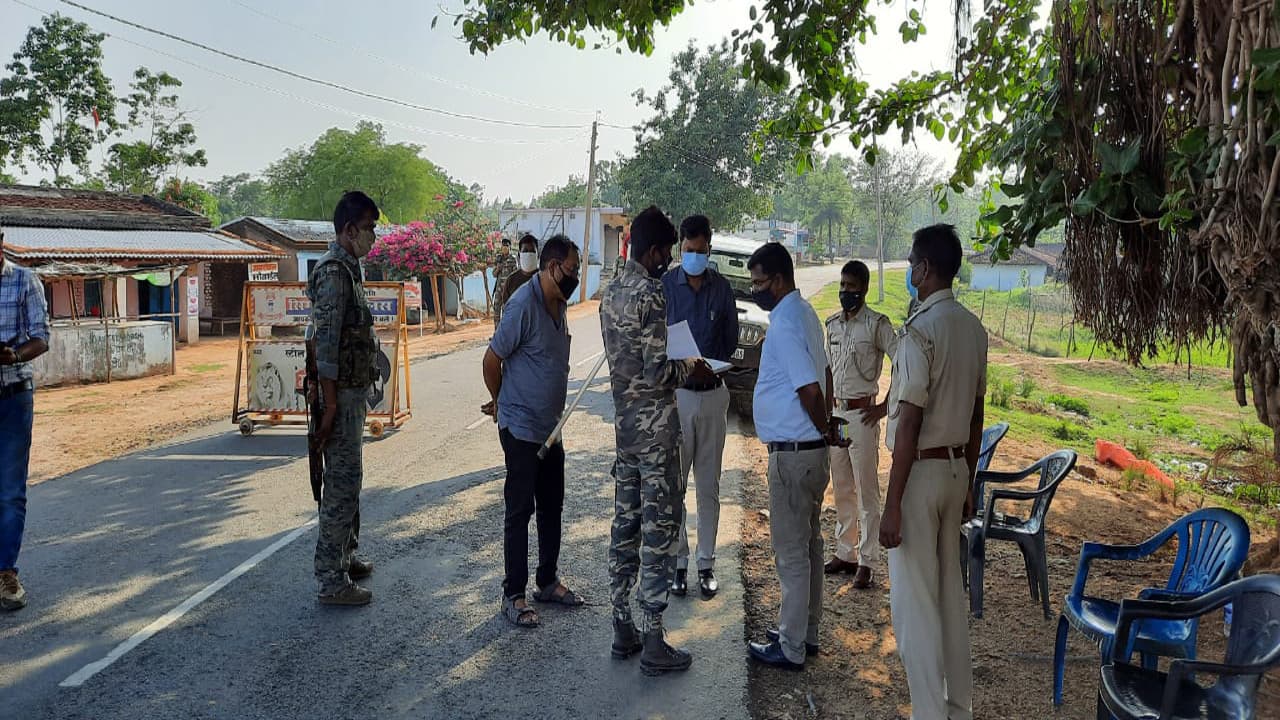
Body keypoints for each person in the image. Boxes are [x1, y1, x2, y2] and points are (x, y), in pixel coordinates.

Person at [879, 224, 988, 720]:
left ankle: (929, 712)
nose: (908, 272)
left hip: (920, 477)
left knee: (915, 606)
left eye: (910, 264)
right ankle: (957, 708)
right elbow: (977, 414)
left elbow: (910, 421)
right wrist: (968, 476)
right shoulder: (972, 328)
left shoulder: (920, 331)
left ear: (924, 269)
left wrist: (890, 505)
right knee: (948, 595)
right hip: (954, 472)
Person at [601, 205, 714, 675]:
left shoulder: (610, 294)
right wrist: (689, 365)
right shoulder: (650, 295)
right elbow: (657, 369)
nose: (667, 260)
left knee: (624, 526)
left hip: (626, 432)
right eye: (665, 252)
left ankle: (622, 626)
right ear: (650, 251)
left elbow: (626, 366)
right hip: (656, 435)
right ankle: (652, 639)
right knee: (660, 530)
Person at [745, 241, 846, 671]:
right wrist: (825, 430)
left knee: (791, 553)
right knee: (809, 547)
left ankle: (790, 646)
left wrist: (823, 426)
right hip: (810, 452)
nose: (754, 290)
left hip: (793, 454)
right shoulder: (804, 314)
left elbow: (809, 387)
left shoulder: (786, 322)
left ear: (780, 279)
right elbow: (824, 374)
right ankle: (805, 632)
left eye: (759, 282)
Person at [481, 234, 584, 628]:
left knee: (552, 506)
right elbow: (491, 361)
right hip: (521, 427)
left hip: (550, 429)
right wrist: (500, 400)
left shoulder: (558, 305)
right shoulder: (523, 305)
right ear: (551, 266)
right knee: (519, 510)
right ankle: (514, 595)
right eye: (571, 271)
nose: (574, 279)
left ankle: (547, 581)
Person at [308, 190, 382, 606]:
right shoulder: (335, 272)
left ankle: (345, 556)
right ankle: (331, 579)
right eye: (369, 228)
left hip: (351, 393)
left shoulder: (350, 269)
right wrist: (331, 405)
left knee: (350, 478)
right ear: (349, 230)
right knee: (340, 483)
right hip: (340, 396)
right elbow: (327, 345)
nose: (373, 236)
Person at [661, 214, 738, 599]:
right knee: (675, 485)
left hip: (712, 395)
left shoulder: (721, 288)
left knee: (708, 487)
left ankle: (706, 564)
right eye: (689, 251)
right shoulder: (666, 287)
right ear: (680, 248)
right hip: (678, 398)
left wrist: (712, 363)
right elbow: (657, 341)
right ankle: (679, 563)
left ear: (710, 248)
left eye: (701, 250)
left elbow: (729, 339)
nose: (695, 256)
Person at [823, 260, 897, 589]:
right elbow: (826, 370)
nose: (845, 293)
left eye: (851, 287)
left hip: (863, 416)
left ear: (864, 289)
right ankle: (845, 552)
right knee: (841, 488)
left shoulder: (877, 325)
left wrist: (884, 407)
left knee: (867, 490)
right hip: (838, 416)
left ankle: (867, 561)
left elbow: (903, 363)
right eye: (842, 286)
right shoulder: (833, 325)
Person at [0, 227, 50, 611]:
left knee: (10, 491)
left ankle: (6, 573)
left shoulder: (24, 281)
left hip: (13, 398)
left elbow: (40, 337)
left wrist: (13, 356)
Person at [493, 235, 539, 328]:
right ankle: (498, 330)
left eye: (506, 246)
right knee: (497, 309)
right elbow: (494, 274)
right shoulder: (499, 259)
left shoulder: (513, 260)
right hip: (500, 287)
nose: (504, 248)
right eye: (503, 246)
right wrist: (498, 268)